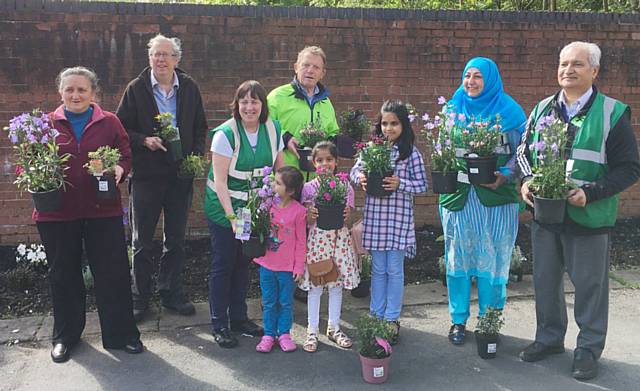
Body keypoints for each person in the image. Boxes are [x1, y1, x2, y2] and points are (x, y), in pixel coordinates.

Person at [516, 42, 640, 380]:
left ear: (594, 71)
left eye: (578, 64)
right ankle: (549, 338)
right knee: (545, 281)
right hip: (546, 214)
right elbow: (524, 151)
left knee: (589, 287)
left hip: (589, 216)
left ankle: (587, 349)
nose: (568, 70)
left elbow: (629, 168)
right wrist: (526, 181)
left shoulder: (611, 112)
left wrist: (591, 193)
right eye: (563, 63)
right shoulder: (542, 109)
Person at [37, 66, 143, 363]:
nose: (75, 95)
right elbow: (27, 162)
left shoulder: (109, 122)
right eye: (69, 89)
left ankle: (122, 335)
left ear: (93, 93)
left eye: (82, 89)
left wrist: (119, 170)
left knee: (113, 274)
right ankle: (65, 337)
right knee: (63, 276)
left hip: (102, 210)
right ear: (60, 92)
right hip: (57, 214)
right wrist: (37, 178)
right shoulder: (45, 125)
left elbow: (125, 153)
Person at [116, 34, 208, 322]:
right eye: (156, 54)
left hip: (179, 176)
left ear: (177, 59)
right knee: (142, 241)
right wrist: (144, 141)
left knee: (176, 240)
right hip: (146, 176)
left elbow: (201, 127)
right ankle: (139, 297)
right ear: (149, 58)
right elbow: (120, 129)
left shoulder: (190, 87)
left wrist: (193, 157)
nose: (161, 59)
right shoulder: (136, 89)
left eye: (167, 54)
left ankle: (170, 293)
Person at [438, 57, 527, 346]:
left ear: (490, 80)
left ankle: (489, 320)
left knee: (495, 259)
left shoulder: (509, 112)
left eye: (477, 76)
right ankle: (458, 320)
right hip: (459, 199)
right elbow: (442, 150)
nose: (471, 82)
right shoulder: (453, 109)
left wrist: (505, 173)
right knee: (458, 259)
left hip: (497, 199)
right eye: (467, 75)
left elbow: (523, 153)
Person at [206, 80, 285, 348]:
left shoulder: (274, 130)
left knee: (244, 262)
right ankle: (219, 323)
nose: (249, 107)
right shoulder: (225, 134)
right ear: (236, 105)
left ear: (263, 105)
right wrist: (233, 221)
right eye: (244, 102)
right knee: (224, 263)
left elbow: (279, 173)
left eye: (254, 101)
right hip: (225, 210)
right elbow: (219, 183)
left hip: (253, 211)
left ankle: (239, 318)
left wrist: (276, 208)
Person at [350, 100, 428, 344]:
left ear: (403, 125)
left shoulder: (411, 153)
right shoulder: (373, 149)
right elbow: (354, 171)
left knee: (394, 270)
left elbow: (423, 184)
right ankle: (376, 314)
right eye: (385, 123)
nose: (389, 128)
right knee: (378, 269)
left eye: (394, 123)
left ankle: (391, 318)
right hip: (376, 220)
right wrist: (361, 177)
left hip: (398, 221)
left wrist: (400, 184)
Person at [298, 141, 359, 353]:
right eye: (320, 160)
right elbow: (303, 220)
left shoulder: (345, 187)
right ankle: (312, 330)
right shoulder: (308, 188)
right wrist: (308, 215)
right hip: (317, 242)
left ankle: (334, 327)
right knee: (316, 285)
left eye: (329, 160)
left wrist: (347, 216)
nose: (325, 164)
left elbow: (349, 219)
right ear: (313, 163)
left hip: (339, 242)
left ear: (336, 162)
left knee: (336, 285)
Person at [253, 166, 306, 353]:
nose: (273, 186)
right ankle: (268, 334)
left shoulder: (299, 212)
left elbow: (301, 242)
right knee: (268, 301)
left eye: (278, 183)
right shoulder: (267, 206)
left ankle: (284, 333)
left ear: (290, 191)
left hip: (287, 268)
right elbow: (256, 228)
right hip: (267, 265)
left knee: (285, 302)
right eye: (274, 182)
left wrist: (299, 266)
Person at [267, 45, 340, 171]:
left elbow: (332, 132)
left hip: (317, 182)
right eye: (305, 65)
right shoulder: (277, 97)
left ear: (322, 73)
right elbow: (264, 126)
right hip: (285, 179)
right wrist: (285, 138)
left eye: (316, 67)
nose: (310, 70)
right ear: (296, 67)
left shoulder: (326, 103)